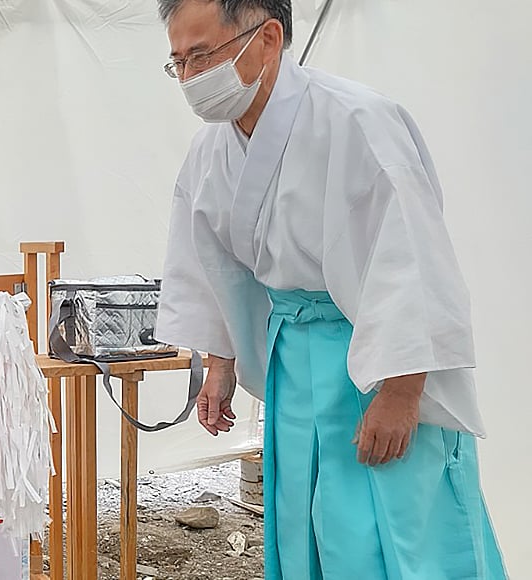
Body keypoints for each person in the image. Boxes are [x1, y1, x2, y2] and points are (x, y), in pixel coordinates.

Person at [153, 1, 508, 578]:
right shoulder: (211, 150)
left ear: (267, 38)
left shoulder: (358, 120)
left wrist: (401, 392)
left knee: (398, 529)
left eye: (203, 56)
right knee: (305, 523)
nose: (192, 79)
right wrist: (219, 360)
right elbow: (207, 262)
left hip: (376, 356)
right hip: (292, 358)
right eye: (179, 63)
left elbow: (411, 258)